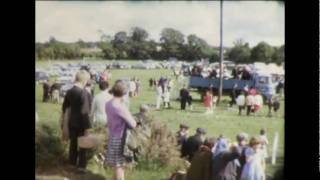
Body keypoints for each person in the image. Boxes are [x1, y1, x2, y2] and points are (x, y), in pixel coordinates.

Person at [105, 80, 137, 180]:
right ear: (124, 93)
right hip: (120, 138)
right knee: (120, 166)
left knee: (117, 164)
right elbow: (133, 124)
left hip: (112, 135)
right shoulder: (119, 107)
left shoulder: (108, 103)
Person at [62, 70, 92, 173]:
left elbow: (65, 108)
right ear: (85, 80)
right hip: (82, 124)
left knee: (73, 144)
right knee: (83, 146)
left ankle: (71, 164)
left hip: (71, 122)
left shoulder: (69, 91)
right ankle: (81, 167)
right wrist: (87, 128)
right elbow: (85, 112)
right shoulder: (84, 93)